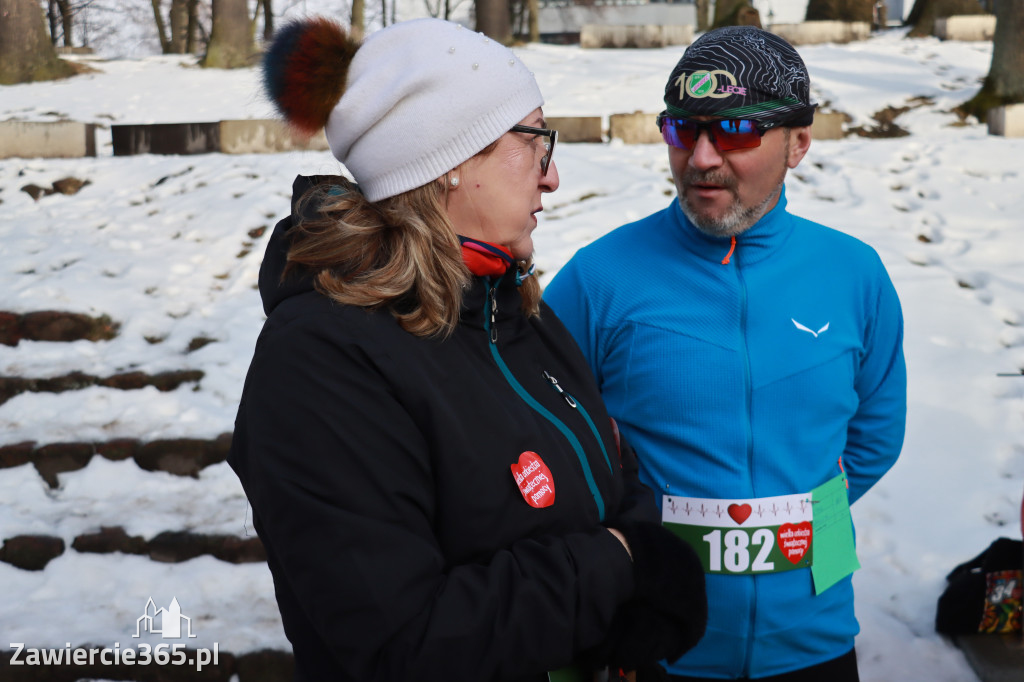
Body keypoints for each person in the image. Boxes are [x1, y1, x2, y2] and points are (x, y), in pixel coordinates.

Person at [227, 16, 708, 682]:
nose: (552, 177)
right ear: (451, 161)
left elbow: (605, 465)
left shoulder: (509, 305)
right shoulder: (319, 361)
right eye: (535, 140)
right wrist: (619, 566)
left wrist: (638, 576)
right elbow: (406, 641)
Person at [544, 26, 907, 681]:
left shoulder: (854, 274)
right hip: (660, 642)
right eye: (683, 130)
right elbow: (544, 443)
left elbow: (875, 435)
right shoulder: (598, 279)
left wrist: (789, 528)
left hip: (815, 640)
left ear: (799, 142)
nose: (702, 158)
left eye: (735, 131)